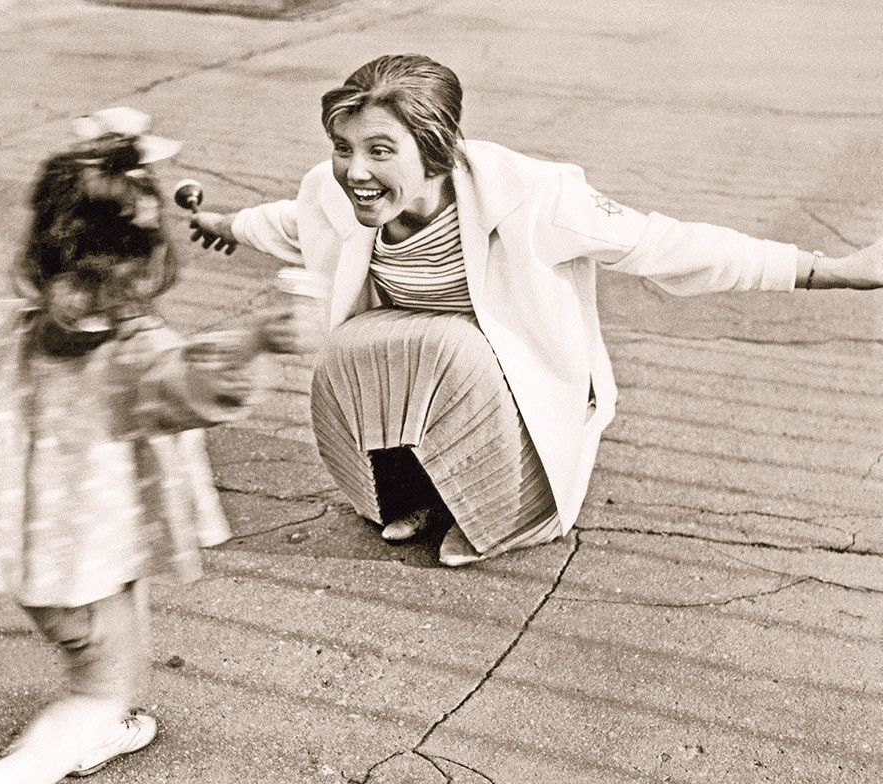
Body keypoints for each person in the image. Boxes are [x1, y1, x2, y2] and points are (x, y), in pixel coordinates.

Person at [187, 54, 883, 568]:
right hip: (419, 376)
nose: (354, 171)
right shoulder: (334, 190)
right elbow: (294, 219)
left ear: (435, 152)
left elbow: (665, 244)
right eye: (343, 149)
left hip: (509, 383)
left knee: (451, 354)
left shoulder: (534, 197)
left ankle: (496, 513)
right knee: (365, 349)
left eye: (379, 150)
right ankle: (418, 494)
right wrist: (226, 224)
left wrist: (830, 270)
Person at [0, 109, 314, 784]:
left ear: (37, 255)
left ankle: (96, 730)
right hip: (85, 561)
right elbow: (199, 387)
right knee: (102, 687)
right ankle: (17, 773)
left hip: (32, 554)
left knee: (113, 641)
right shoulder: (135, 354)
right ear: (149, 263)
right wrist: (258, 338)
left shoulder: (1, 330)